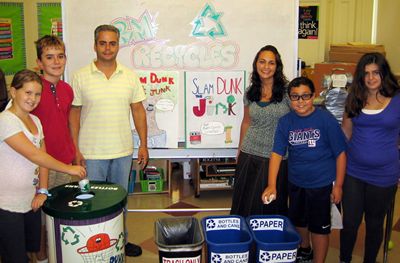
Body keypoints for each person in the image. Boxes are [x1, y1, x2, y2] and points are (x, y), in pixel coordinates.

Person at [69, 24, 149, 257]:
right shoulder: (80, 76)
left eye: (112, 43)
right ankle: (93, 247)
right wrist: (76, 149)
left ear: (118, 45)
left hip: (122, 151)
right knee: (91, 203)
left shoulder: (129, 76)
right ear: (95, 45)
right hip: (91, 153)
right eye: (102, 43)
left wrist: (143, 144)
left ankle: (119, 243)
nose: (107, 48)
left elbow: (138, 110)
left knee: (120, 202)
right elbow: (74, 114)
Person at [0, 69, 86, 262]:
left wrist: (43, 190)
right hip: (6, 205)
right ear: (13, 92)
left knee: (30, 251)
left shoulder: (36, 121)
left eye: (37, 94)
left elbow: (43, 156)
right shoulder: (5, 120)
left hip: (29, 202)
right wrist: (69, 168)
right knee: (14, 257)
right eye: (28, 93)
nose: (33, 98)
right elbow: (34, 154)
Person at [262, 76, 347, 263]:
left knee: (319, 227)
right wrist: (271, 185)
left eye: (305, 96)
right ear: (289, 98)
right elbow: (277, 153)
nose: (300, 102)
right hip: (296, 182)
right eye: (295, 97)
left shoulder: (326, 119)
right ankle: (305, 249)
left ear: (313, 96)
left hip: (322, 184)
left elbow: (341, 153)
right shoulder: (285, 122)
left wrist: (338, 185)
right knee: (299, 221)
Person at [339, 53, 400, 263]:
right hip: (354, 172)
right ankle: (344, 259)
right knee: (350, 222)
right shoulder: (354, 98)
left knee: (375, 224)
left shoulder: (398, 100)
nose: (371, 78)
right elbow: (345, 133)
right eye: (366, 74)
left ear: (384, 73)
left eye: (376, 72)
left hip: (385, 174)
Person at [30, 35, 79, 263]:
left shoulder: (67, 90)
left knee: (62, 215)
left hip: (66, 163)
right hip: (41, 166)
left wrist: (76, 154)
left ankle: (60, 256)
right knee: (41, 220)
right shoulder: (33, 92)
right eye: (49, 57)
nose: (56, 62)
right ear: (39, 62)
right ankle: (41, 258)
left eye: (60, 56)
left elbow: (68, 124)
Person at [230, 45, 290, 217]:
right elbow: (246, 122)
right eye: (262, 62)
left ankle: (267, 244)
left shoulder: (287, 93)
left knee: (270, 207)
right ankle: (245, 242)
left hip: (276, 157)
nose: (266, 66)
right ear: (256, 64)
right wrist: (240, 149)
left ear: (277, 66)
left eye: (271, 63)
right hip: (249, 155)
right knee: (244, 203)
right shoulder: (250, 92)